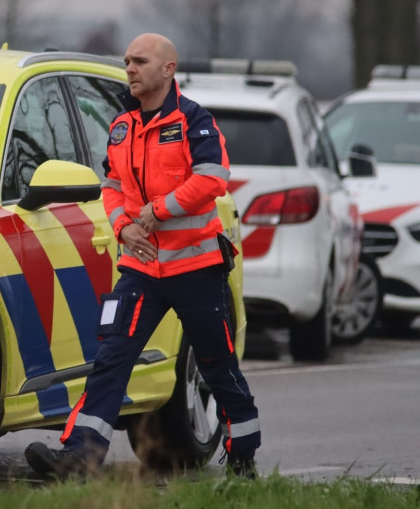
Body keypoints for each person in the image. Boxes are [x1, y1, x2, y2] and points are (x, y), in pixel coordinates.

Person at [24, 33, 260, 480]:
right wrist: (123, 226)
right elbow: (111, 189)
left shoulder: (195, 121)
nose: (129, 68)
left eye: (140, 61)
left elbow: (213, 178)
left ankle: (244, 456)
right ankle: (79, 456)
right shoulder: (121, 127)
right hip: (141, 269)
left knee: (216, 364)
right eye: (127, 60)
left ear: (168, 70)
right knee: (112, 358)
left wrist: (158, 210)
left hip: (196, 270)